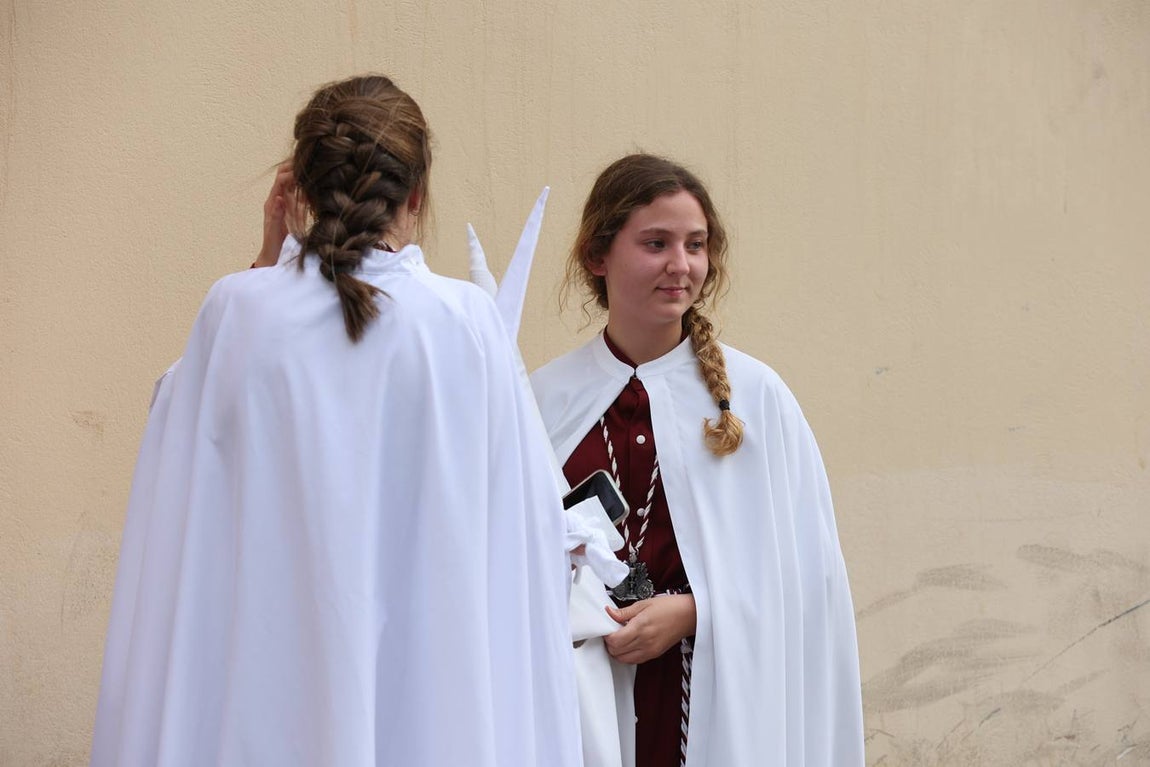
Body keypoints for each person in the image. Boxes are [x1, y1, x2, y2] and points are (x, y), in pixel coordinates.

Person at [90, 75, 582, 767]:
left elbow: (181, 449)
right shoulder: (467, 323)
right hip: (433, 695)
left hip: (269, 691)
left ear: (296, 191)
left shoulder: (238, 312)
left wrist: (267, 258)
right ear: (416, 196)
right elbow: (529, 530)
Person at [530, 154, 865, 767]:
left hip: (712, 694)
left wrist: (694, 612)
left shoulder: (756, 399)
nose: (679, 265)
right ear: (598, 256)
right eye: (655, 243)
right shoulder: (544, 400)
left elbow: (809, 577)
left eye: (695, 244)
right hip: (578, 696)